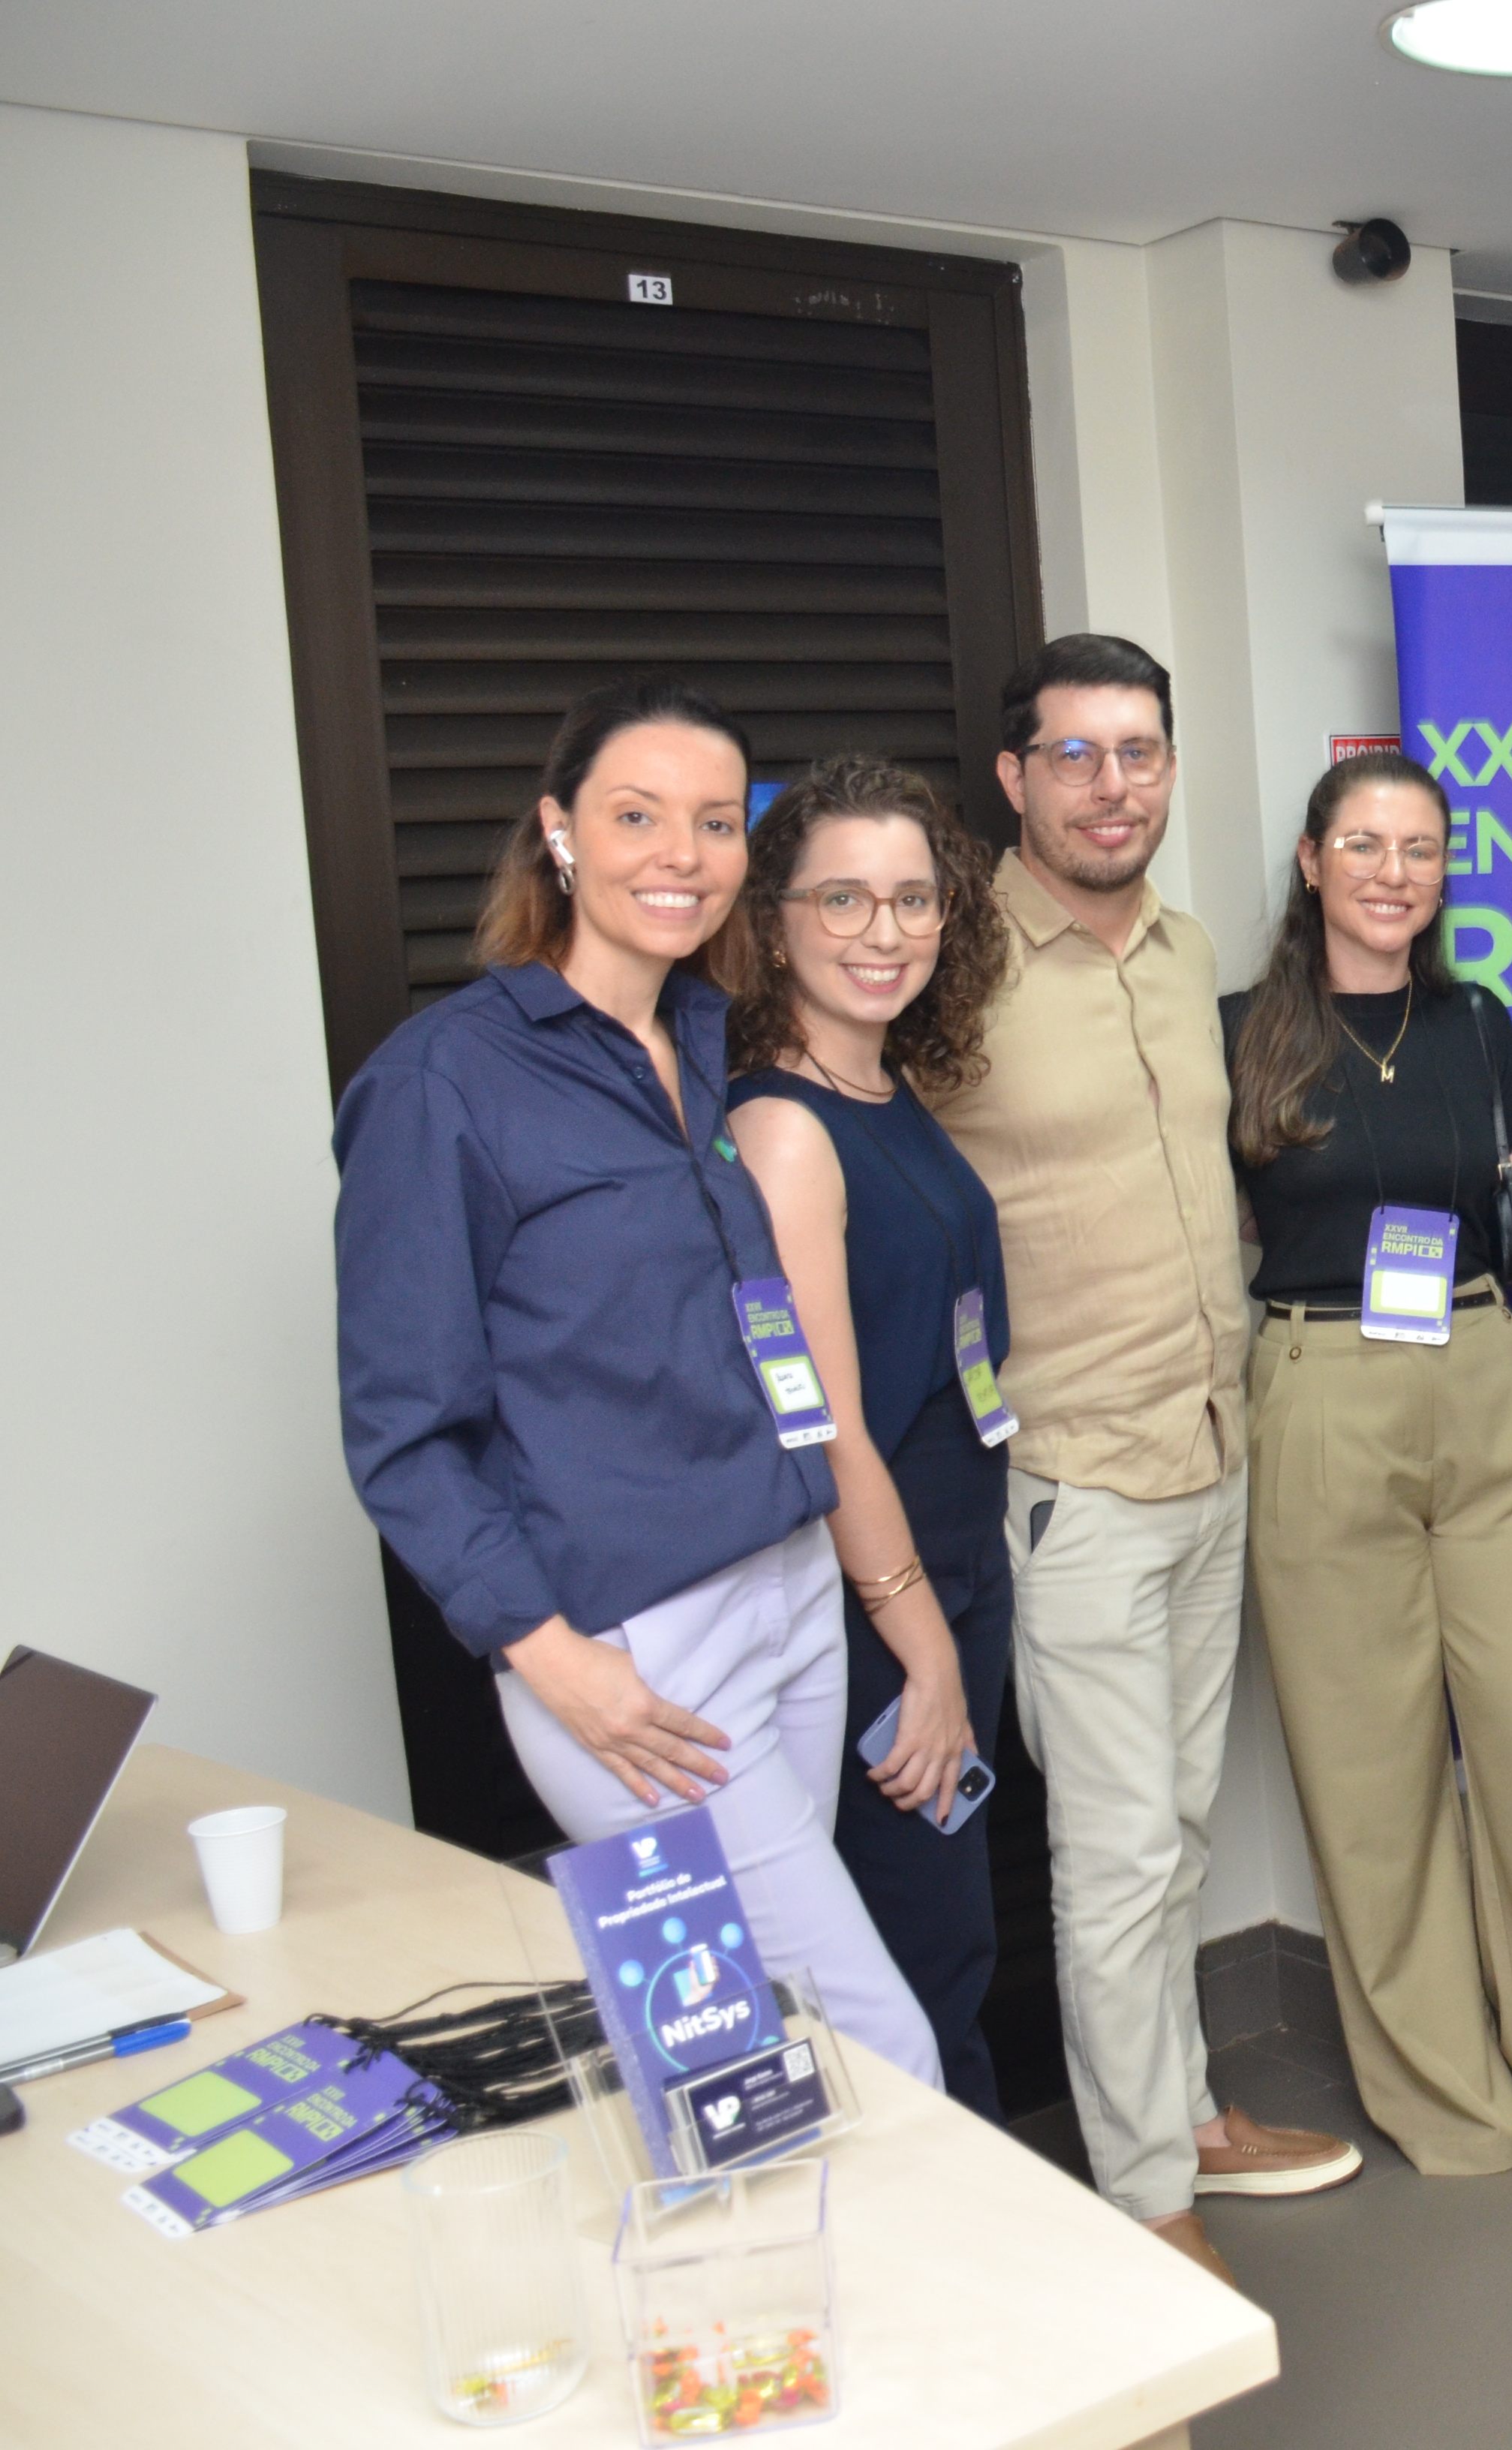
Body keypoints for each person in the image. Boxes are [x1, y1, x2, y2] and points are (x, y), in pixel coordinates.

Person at [335, 679, 939, 2088]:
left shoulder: (704, 1042)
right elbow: (402, 1433)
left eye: (716, 823)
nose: (682, 854)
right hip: (643, 1653)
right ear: (559, 832)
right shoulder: (445, 1082)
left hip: (789, 1591)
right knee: (879, 2053)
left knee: (751, 2060)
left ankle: (730, 2244)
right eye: (636, 816)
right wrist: (552, 1664)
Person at [925, 637, 1357, 2286]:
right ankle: (1141, 2202)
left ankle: (1181, 2116)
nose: (1115, 787)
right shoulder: (947, 960)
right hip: (1072, 1475)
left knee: (1175, 1825)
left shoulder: (1190, 956)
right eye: (1077, 755)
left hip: (1209, 1443)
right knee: (1111, 1859)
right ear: (1014, 777)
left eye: (1142, 752)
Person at [1223, 751, 1512, 2175]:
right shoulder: (1238, 1037)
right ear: (1312, 862)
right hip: (1321, 1393)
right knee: (1372, 1788)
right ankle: (1453, 2108)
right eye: (1364, 844)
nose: (1392, 872)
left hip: (1484, 1389)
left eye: (1420, 849)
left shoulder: (1476, 1023)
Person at [726, 757, 1018, 2113]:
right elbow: (828, 1423)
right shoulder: (784, 1130)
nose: (883, 931)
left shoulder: (883, 1090)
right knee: (907, 1971)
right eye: (841, 899)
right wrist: (924, 1650)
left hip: (951, 1565)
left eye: (912, 899)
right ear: (773, 922)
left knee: (947, 1946)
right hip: (874, 1607)